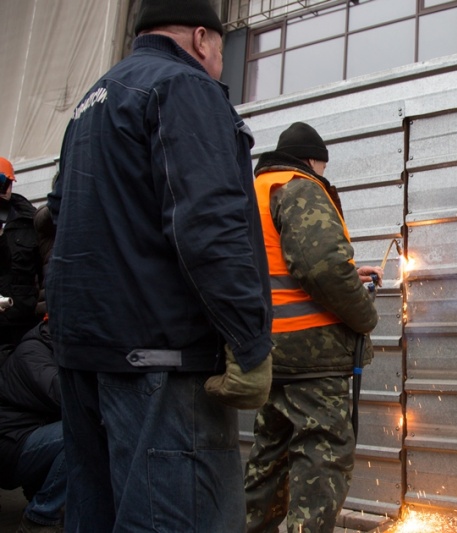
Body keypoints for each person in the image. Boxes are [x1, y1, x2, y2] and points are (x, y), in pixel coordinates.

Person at [46, 0, 274, 530]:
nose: (219, 64)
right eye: (219, 51)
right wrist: (249, 341)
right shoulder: (182, 86)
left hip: (85, 361)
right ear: (201, 39)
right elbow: (208, 226)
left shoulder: (90, 104)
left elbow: (57, 221)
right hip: (161, 366)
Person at [244, 122, 382, 533]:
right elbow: (318, 266)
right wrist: (364, 315)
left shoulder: (253, 192)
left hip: (269, 350)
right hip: (313, 355)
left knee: (271, 458)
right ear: (310, 160)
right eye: (321, 166)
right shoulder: (300, 185)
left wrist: (349, 274)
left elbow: (282, 264)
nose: (322, 175)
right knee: (323, 459)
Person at [0, 320, 65, 533]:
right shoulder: (32, 351)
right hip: (11, 444)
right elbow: (64, 397)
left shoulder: (56, 350)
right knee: (81, 433)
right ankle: (40, 517)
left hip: (29, 437)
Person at [0, 157, 44, 346]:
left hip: (23, 324)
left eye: (6, 183)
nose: (4, 189)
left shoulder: (30, 221)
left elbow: (45, 270)